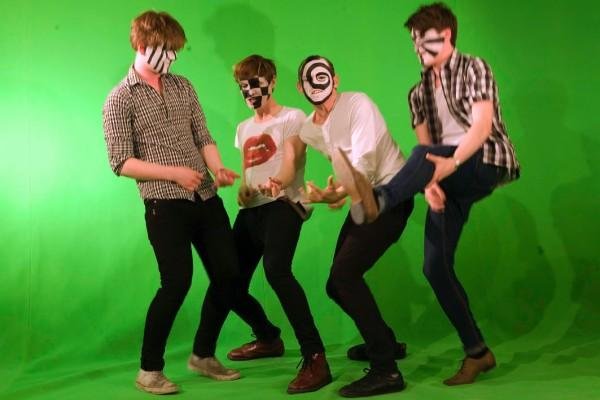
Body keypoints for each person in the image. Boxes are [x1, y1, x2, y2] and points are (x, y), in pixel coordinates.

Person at [336, 2, 520, 386]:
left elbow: (482, 127)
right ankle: (478, 353)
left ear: (446, 35)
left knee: (421, 157)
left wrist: (449, 165)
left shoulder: (473, 68)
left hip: (484, 161)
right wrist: (431, 185)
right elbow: (428, 148)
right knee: (435, 268)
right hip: (446, 176)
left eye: (423, 40)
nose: (417, 48)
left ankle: (381, 200)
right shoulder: (417, 93)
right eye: (413, 42)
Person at [103, 11, 261, 394]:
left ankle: (203, 355)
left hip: (206, 197)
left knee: (229, 274)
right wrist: (174, 173)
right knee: (175, 284)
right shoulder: (119, 99)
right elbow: (121, 162)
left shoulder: (183, 86)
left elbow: (202, 136)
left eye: (176, 50)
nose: (172, 57)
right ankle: (149, 370)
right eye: (166, 50)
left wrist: (218, 168)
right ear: (143, 46)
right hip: (164, 204)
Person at [210, 54, 332, 394]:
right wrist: (244, 192)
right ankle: (267, 337)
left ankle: (316, 358)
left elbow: (292, 159)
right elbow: (247, 176)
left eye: (255, 83)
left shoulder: (292, 118)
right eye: (242, 86)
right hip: (252, 212)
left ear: (272, 81)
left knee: (277, 271)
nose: (249, 91)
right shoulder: (243, 128)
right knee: (227, 281)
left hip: (284, 205)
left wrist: (278, 181)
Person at [296, 55, 413, 397]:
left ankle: (386, 370)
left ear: (336, 79)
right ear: (301, 88)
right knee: (336, 284)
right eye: (310, 80)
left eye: (324, 77)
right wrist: (332, 193)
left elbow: (363, 163)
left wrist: (337, 193)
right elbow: (344, 167)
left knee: (345, 276)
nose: (318, 85)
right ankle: (386, 343)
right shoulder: (309, 128)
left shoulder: (358, 103)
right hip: (365, 197)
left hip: (390, 195)